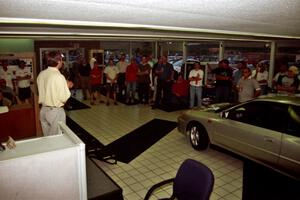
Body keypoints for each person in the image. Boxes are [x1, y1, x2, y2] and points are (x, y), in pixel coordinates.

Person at [37, 51, 73, 136]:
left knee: (47, 137)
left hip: (43, 110)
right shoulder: (59, 76)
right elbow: (63, 97)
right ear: (58, 61)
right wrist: (67, 86)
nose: (62, 62)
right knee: (56, 139)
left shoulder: (41, 74)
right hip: (55, 111)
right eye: (61, 60)